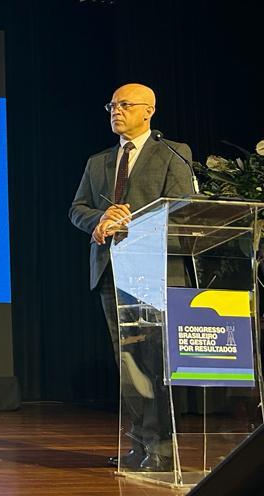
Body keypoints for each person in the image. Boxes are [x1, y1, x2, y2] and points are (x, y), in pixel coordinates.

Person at [68, 83, 194, 471]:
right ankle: (139, 445)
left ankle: (162, 449)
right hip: (111, 270)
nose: (115, 111)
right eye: (112, 105)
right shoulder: (98, 161)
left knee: (153, 361)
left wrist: (133, 223)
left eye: (125, 105)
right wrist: (100, 220)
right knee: (128, 363)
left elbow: (183, 208)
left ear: (148, 111)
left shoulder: (173, 153)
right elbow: (77, 209)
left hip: (154, 270)